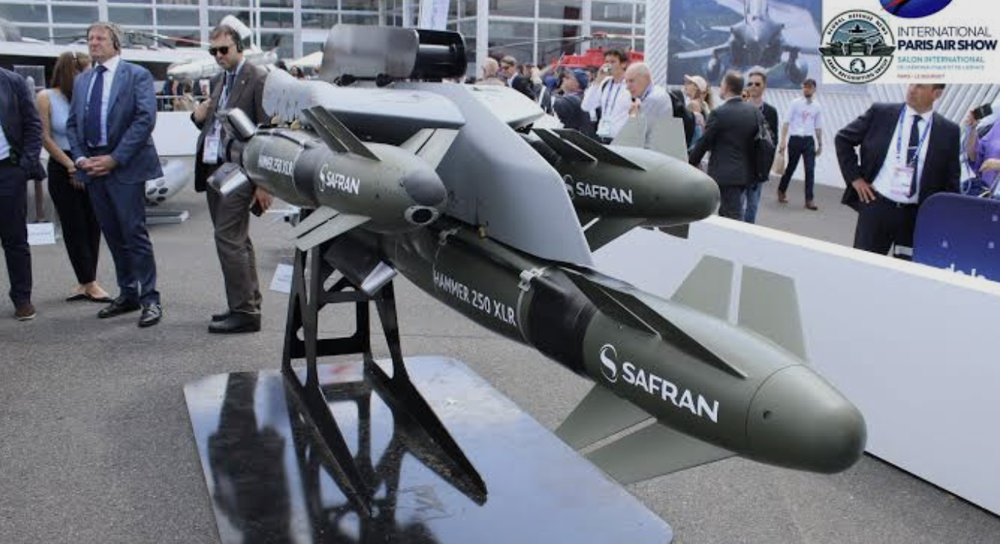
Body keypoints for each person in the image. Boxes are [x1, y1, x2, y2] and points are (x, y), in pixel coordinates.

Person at [66, 22, 164, 327]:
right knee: (112, 234)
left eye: (100, 38)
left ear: (116, 44)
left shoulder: (136, 75)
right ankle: (128, 293)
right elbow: (72, 124)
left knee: (134, 233)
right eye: (90, 38)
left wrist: (114, 159)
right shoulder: (83, 80)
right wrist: (80, 158)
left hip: (125, 165)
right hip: (93, 168)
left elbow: (145, 119)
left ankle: (150, 298)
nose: (93, 43)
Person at [190, 24, 272, 334]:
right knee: (237, 239)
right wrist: (197, 116)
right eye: (213, 51)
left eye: (223, 50)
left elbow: (267, 131)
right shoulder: (218, 80)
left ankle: (245, 312)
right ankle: (246, 302)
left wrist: (264, 183)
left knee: (228, 239)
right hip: (215, 168)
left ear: (239, 47)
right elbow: (213, 125)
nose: (218, 56)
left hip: (241, 170)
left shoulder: (258, 78)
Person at [835, 84, 960, 259]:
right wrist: (855, 178)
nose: (912, 89)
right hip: (877, 207)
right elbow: (843, 139)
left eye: (920, 87)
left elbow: (951, 179)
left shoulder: (948, 131)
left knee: (906, 271)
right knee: (864, 266)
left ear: (936, 94)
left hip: (916, 217)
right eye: (912, 83)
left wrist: (946, 220)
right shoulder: (880, 113)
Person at [36, 50, 113, 304]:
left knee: (93, 224)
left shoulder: (88, 97)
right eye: (85, 70)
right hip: (63, 164)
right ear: (73, 72)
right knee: (74, 226)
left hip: (90, 162)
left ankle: (87, 280)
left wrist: (86, 165)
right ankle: (88, 281)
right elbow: (45, 137)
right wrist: (71, 166)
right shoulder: (46, 97)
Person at [0, 66, 43, 321]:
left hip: (8, 170)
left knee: (14, 238)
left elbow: (33, 124)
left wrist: (26, 165)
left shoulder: (12, 82)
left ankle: (22, 298)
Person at [688, 71, 760, 220]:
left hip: (725, 174)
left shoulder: (719, 113)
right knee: (728, 212)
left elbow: (704, 142)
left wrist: (690, 163)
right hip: (746, 174)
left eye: (721, 84)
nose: (719, 88)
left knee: (732, 217)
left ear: (726, 87)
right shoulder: (754, 112)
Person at [777, 78, 823, 210]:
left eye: (809, 87)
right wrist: (783, 141)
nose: (806, 89)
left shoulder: (817, 106)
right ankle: (781, 190)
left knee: (810, 170)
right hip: (795, 140)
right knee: (791, 167)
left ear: (814, 89)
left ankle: (809, 200)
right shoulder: (795, 103)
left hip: (809, 141)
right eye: (804, 87)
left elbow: (818, 127)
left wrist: (820, 144)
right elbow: (786, 122)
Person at [742, 66, 779, 224]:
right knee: (737, 204)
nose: (753, 87)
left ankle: (747, 232)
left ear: (764, 86)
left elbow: (773, 141)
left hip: (758, 166)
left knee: (752, 205)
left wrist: (766, 167)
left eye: (757, 84)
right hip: (740, 162)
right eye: (750, 83)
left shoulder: (770, 112)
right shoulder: (740, 107)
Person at [581, 49, 631, 143]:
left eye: (612, 62)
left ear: (623, 64)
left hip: (621, 139)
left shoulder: (630, 85)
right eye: (607, 62)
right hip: (602, 136)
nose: (608, 65)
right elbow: (586, 106)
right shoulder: (605, 83)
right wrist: (597, 81)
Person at [623, 62, 673, 149]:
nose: (627, 87)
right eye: (626, 82)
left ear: (645, 78)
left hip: (652, 151)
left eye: (631, 81)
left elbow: (635, 134)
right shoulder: (655, 92)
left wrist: (633, 116)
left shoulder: (652, 99)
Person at [964, 107, 1000, 194]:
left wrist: (997, 164)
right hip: (986, 195)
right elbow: (976, 158)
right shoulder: (998, 125)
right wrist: (972, 129)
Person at [552, 69, 595, 138]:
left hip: (574, 141)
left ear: (577, 83)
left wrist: (537, 83)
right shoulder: (579, 98)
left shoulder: (576, 99)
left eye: (568, 78)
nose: (563, 79)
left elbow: (551, 102)